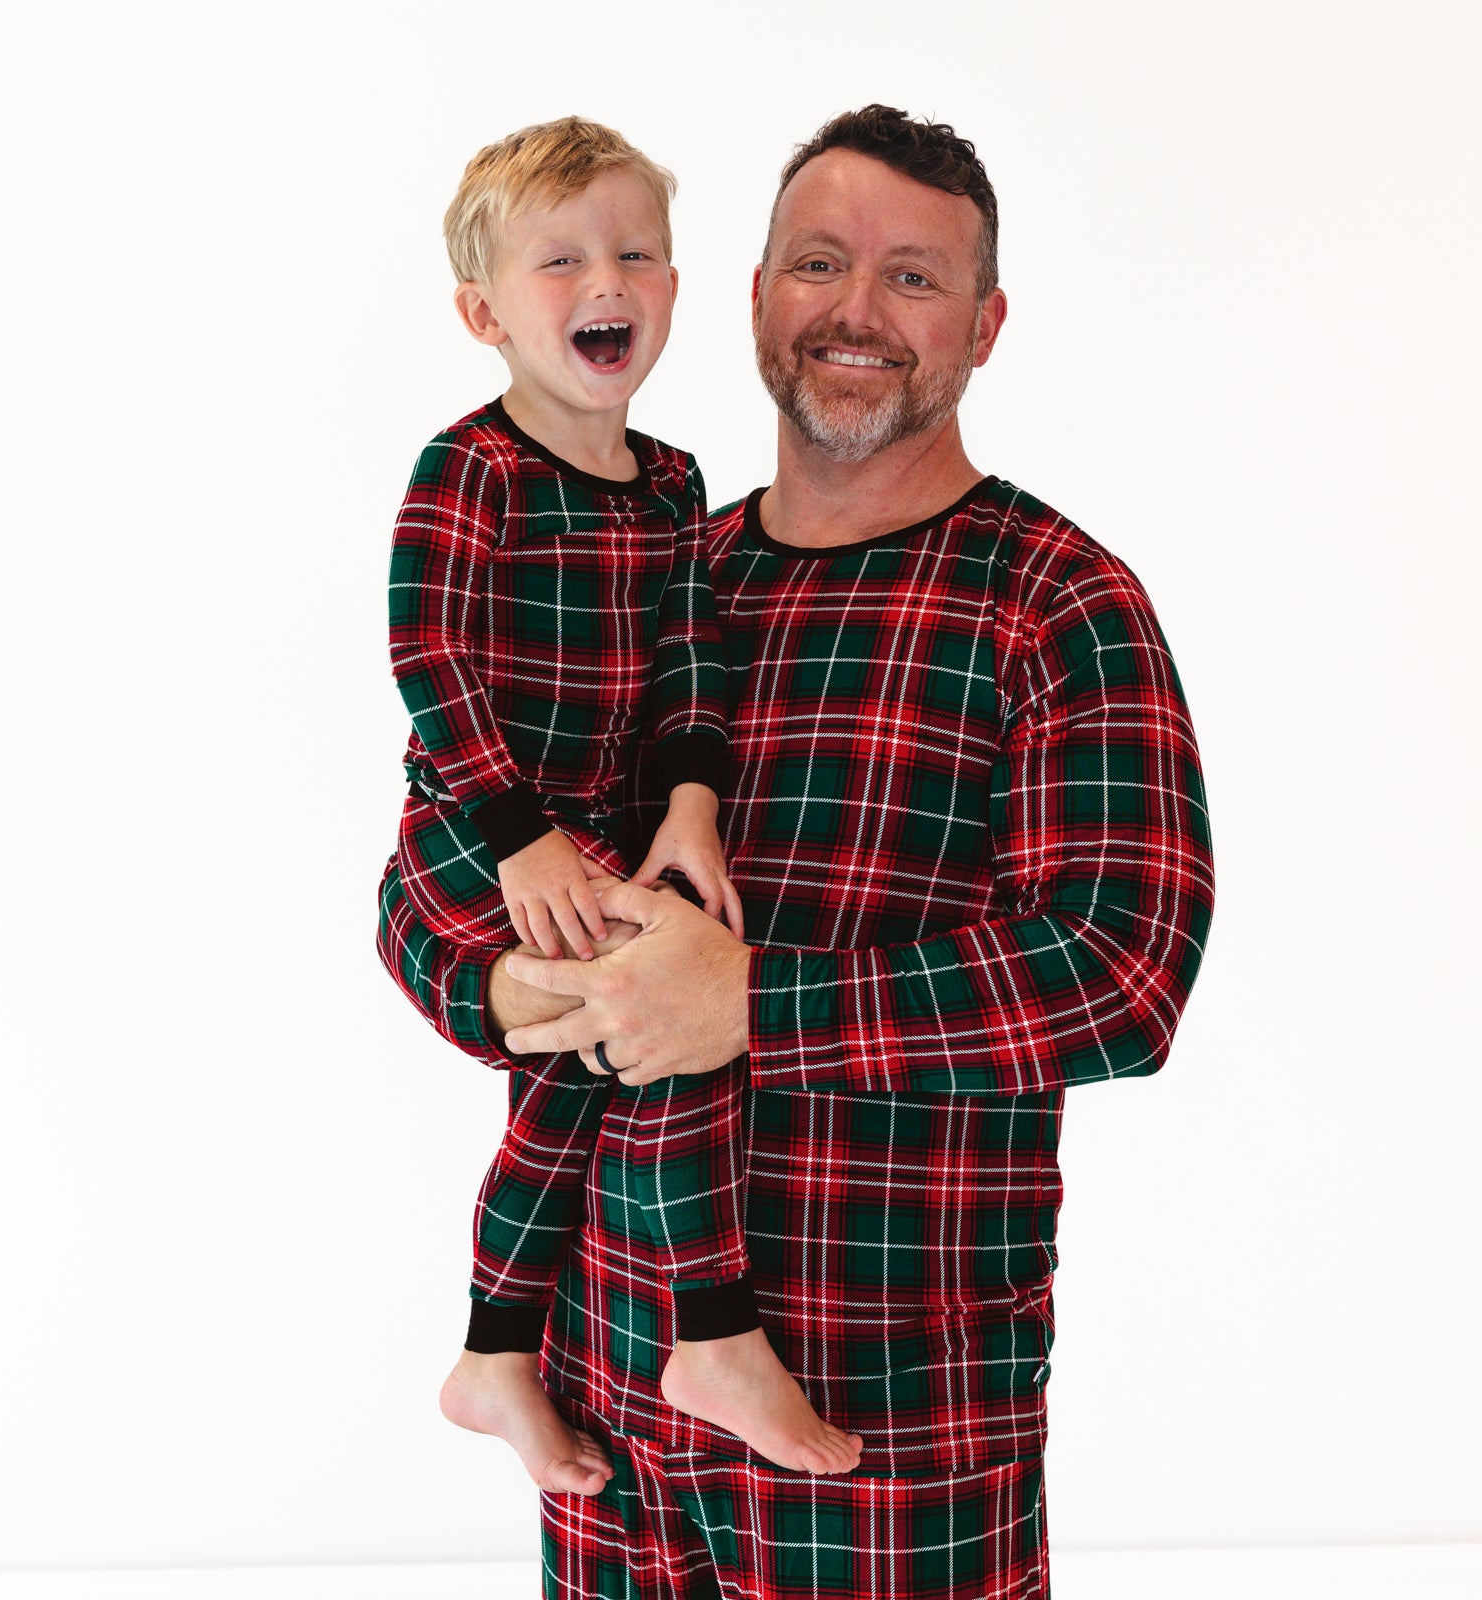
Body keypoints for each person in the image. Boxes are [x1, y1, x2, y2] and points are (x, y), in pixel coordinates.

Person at [379, 104, 1215, 1598]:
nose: (855, 310)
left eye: (914, 278)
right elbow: (420, 871)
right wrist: (509, 990)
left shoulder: (1055, 606)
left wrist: (750, 1001)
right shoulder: (645, 561)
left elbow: (1124, 976)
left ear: (987, 324)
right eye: (819, 262)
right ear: (756, 294)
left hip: (882, 1431)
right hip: (602, 1412)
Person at [377, 116, 863, 1499]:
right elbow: (431, 656)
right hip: (477, 831)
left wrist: (695, 805)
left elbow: (688, 667)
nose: (609, 279)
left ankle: (494, 1353)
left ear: (675, 289)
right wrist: (515, 828)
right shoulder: (471, 470)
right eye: (562, 259)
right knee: (676, 1010)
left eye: (637, 252)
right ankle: (710, 1331)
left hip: (607, 834)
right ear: (485, 312)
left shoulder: (670, 489)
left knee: (585, 1074)